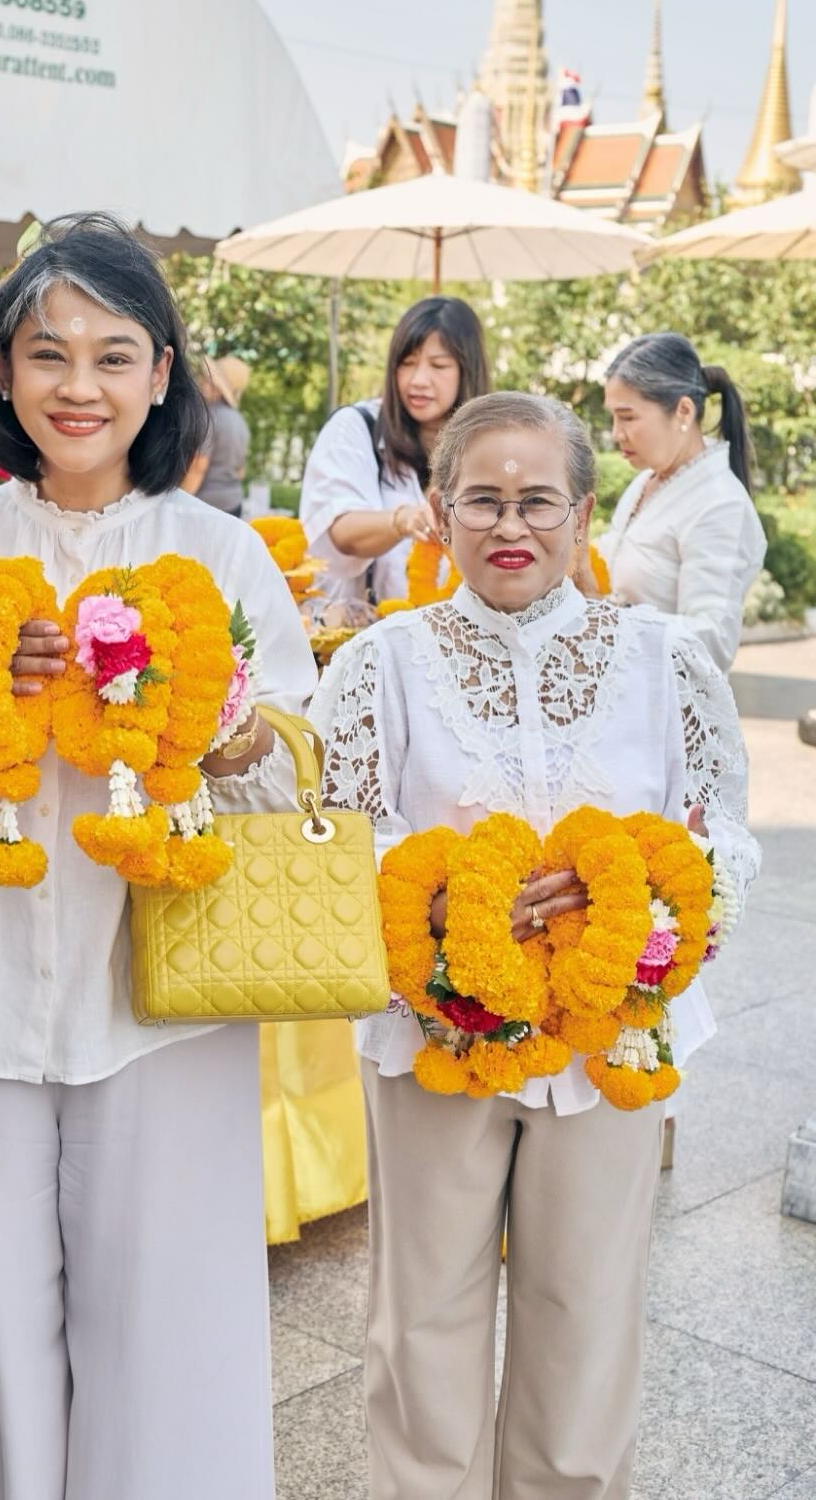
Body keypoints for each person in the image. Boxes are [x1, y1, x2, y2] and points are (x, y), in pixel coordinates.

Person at [0, 215, 316, 1500]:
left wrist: (208, 715)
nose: (80, 386)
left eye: (114, 356)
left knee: (170, 1337)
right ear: (1, 373)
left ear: (162, 374)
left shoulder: (220, 553)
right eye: (47, 354)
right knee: (3, 1337)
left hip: (165, 999)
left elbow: (296, 772)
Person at [313, 391, 759, 1500]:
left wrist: (644, 898)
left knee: (587, 1316)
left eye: (537, 501)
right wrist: (447, 901)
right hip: (436, 1029)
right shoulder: (382, 662)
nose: (510, 525)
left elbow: (726, 842)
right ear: (438, 509)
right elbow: (341, 836)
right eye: (482, 500)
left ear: (584, 511)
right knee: (422, 1320)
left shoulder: (664, 661)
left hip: (610, 1036)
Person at [299, 295, 490, 607]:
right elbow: (340, 530)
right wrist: (404, 520)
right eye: (407, 363)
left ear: (467, 370)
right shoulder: (356, 427)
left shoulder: (490, 443)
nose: (418, 380)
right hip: (364, 625)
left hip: (458, 629)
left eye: (438, 365)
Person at [597, 331, 766, 669]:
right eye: (613, 417)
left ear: (684, 411)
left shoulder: (721, 504)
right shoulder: (646, 481)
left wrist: (606, 624)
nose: (616, 433)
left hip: (665, 697)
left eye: (627, 417)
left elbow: (711, 641)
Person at [182, 352, 252, 514]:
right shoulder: (240, 422)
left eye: (207, 379)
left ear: (218, 388)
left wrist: (179, 501)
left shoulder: (209, 416)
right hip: (234, 503)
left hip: (207, 506)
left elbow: (198, 467)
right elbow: (241, 472)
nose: (201, 381)